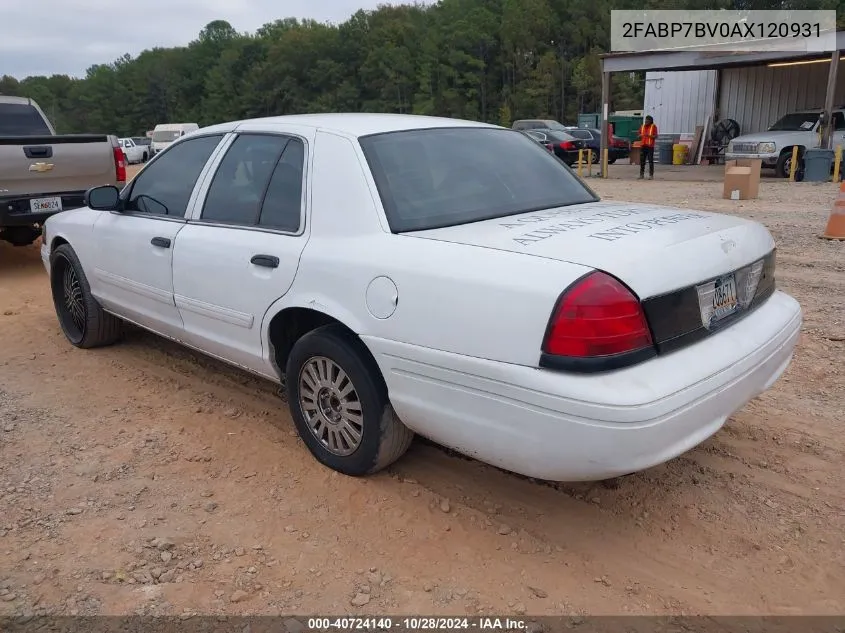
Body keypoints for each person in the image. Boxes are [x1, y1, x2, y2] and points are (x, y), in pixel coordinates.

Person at [638, 115, 658, 180]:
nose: (646, 121)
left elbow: (655, 136)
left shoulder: (653, 127)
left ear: (651, 121)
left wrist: (649, 136)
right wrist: (640, 135)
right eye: (646, 120)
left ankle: (651, 175)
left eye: (647, 120)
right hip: (643, 146)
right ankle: (641, 174)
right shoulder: (642, 126)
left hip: (650, 146)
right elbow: (639, 134)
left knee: (650, 161)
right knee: (642, 161)